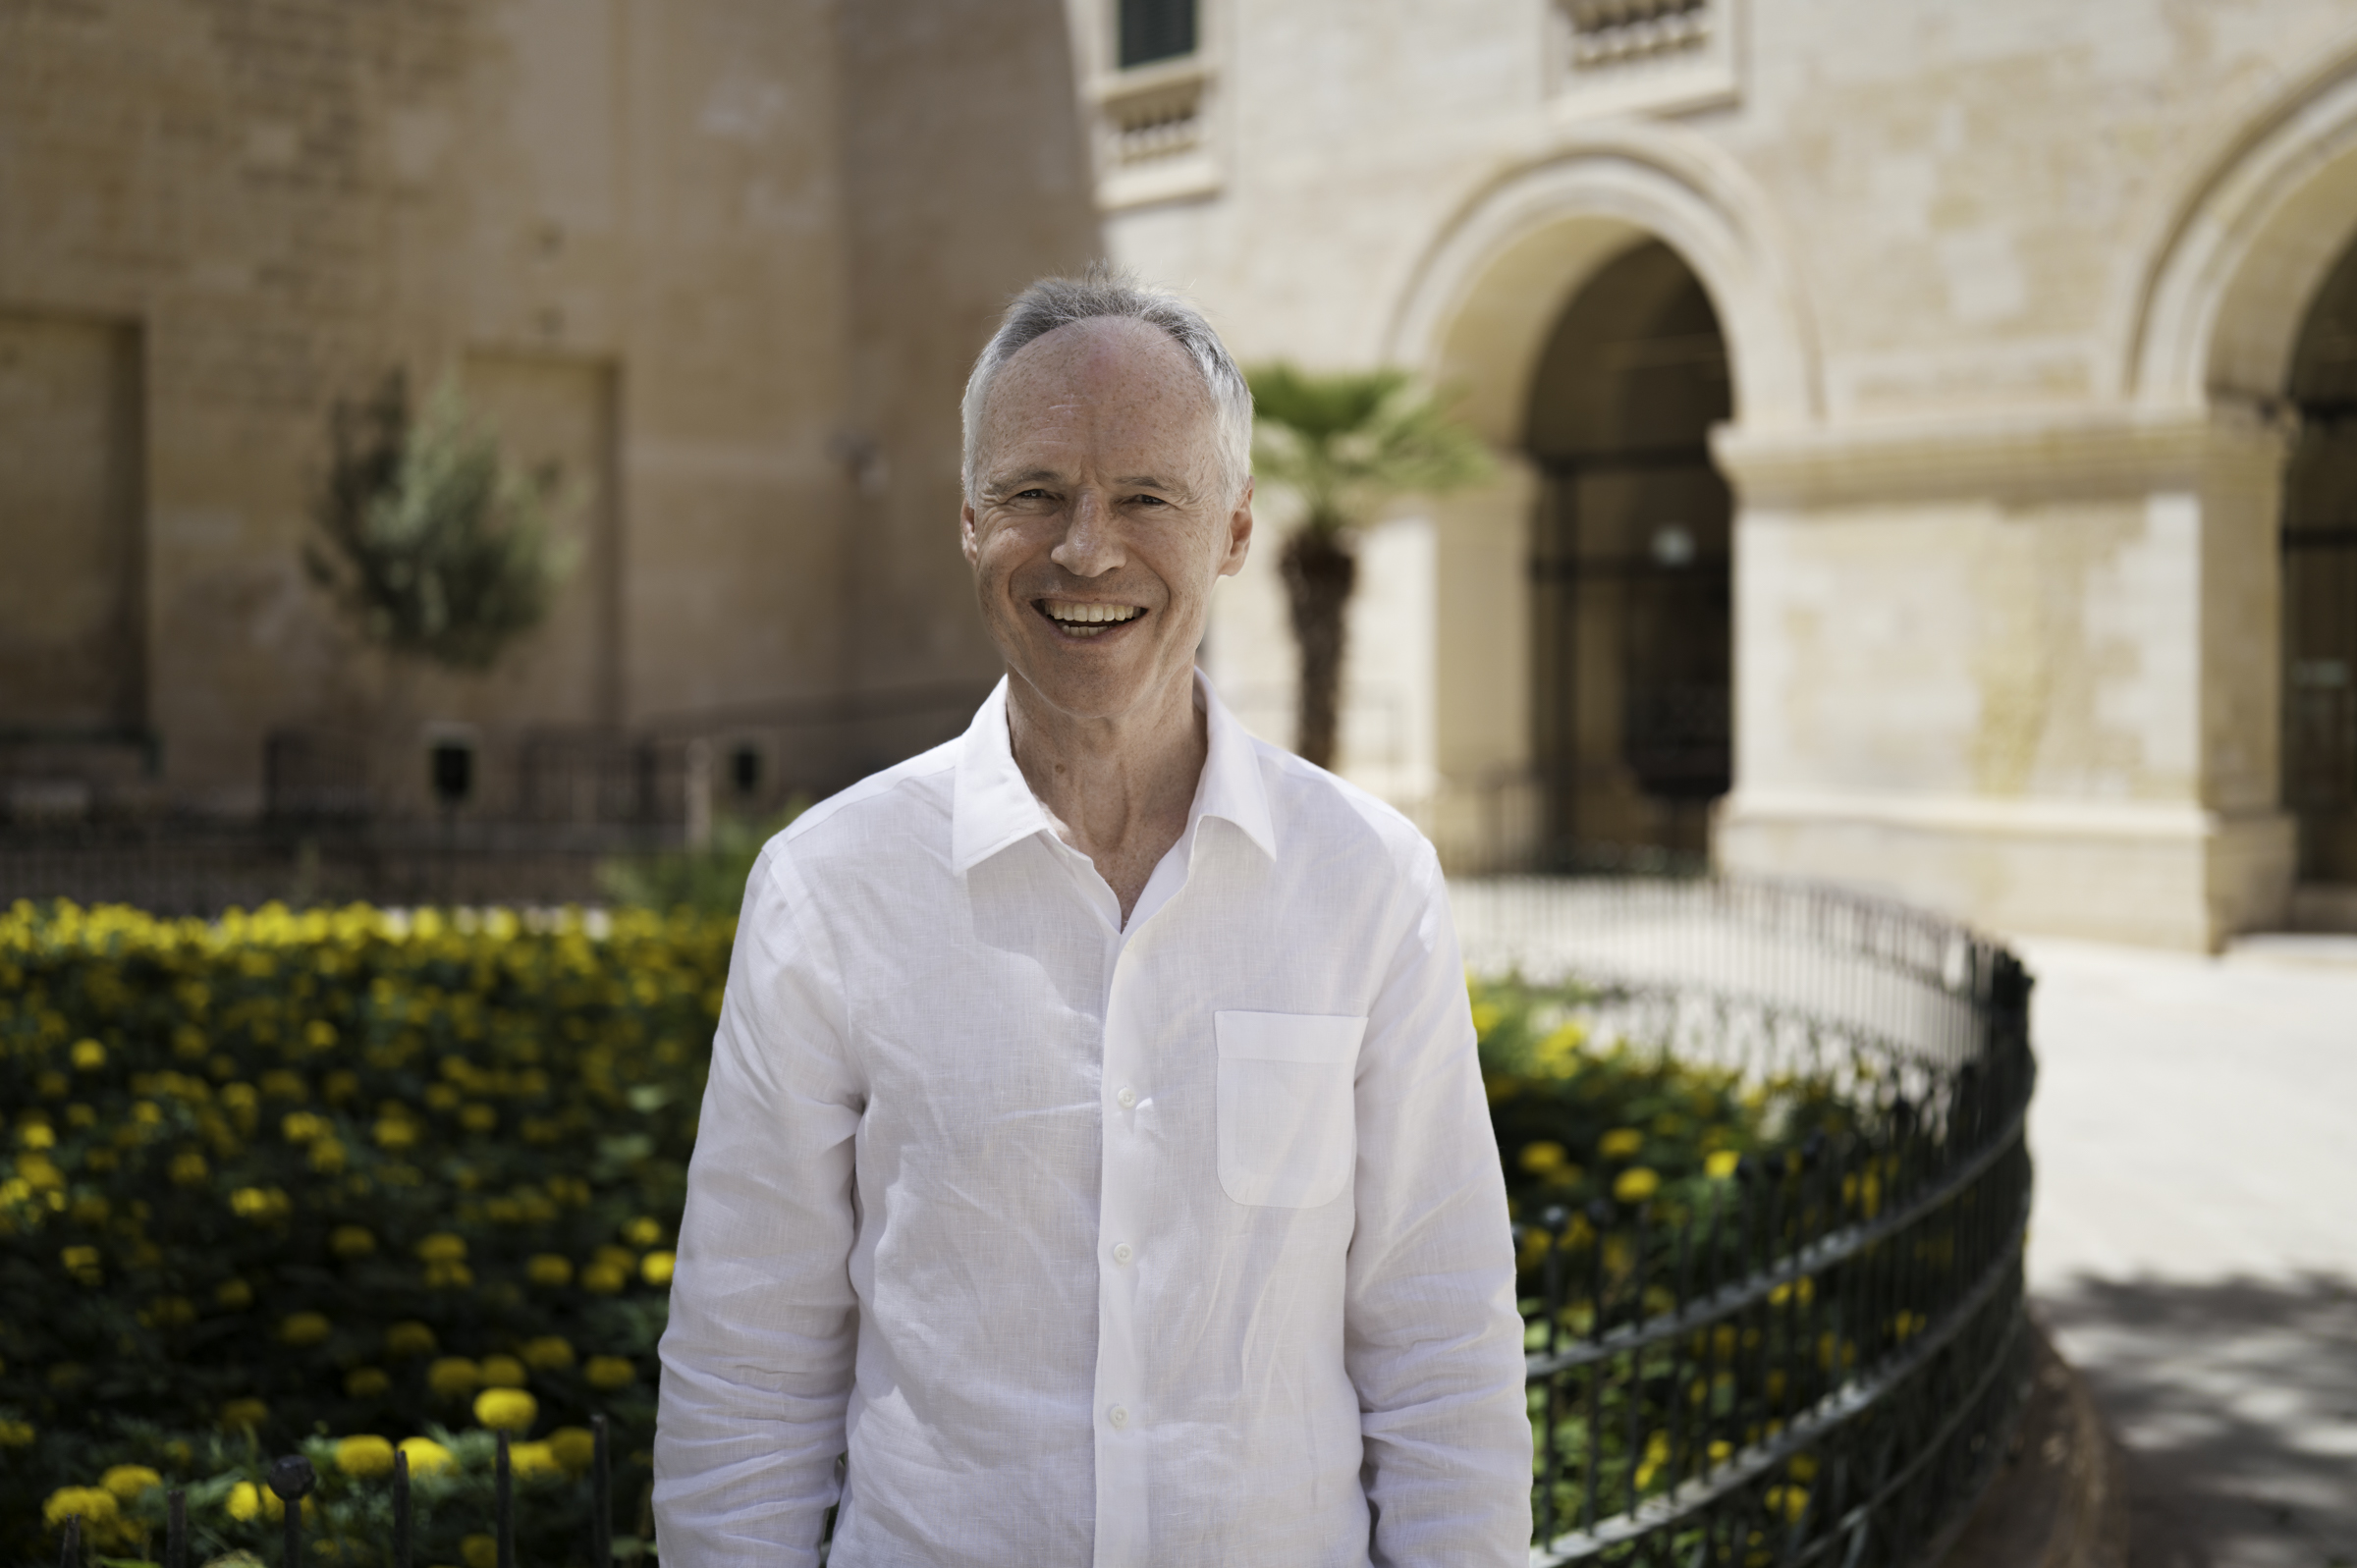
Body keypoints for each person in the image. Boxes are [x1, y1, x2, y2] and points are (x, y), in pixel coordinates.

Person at [652, 269, 1530, 1566]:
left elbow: (1441, 1345)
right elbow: (746, 1372)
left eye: (1145, 498)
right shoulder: (826, 890)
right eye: (1036, 494)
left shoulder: (1367, 883)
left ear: (1233, 528)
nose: (1086, 549)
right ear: (967, 520)